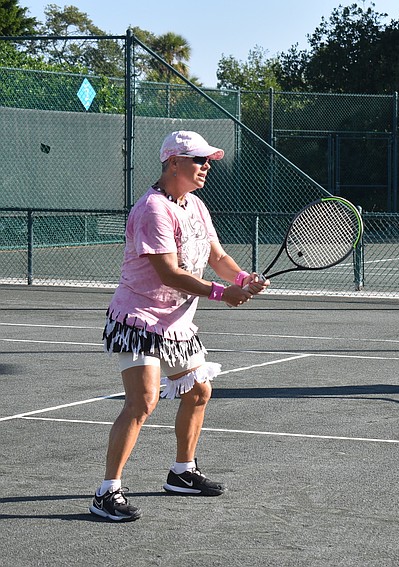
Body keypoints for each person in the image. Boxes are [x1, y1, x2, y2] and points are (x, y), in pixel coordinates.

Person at [90, 130, 269, 522]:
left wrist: (242, 279)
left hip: (177, 323)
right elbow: (168, 272)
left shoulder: (196, 206)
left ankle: (182, 472)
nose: (206, 167)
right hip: (138, 319)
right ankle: (107, 492)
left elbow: (217, 256)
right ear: (173, 163)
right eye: (199, 161)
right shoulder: (153, 209)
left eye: (208, 161)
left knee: (199, 391)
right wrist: (222, 294)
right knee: (142, 402)